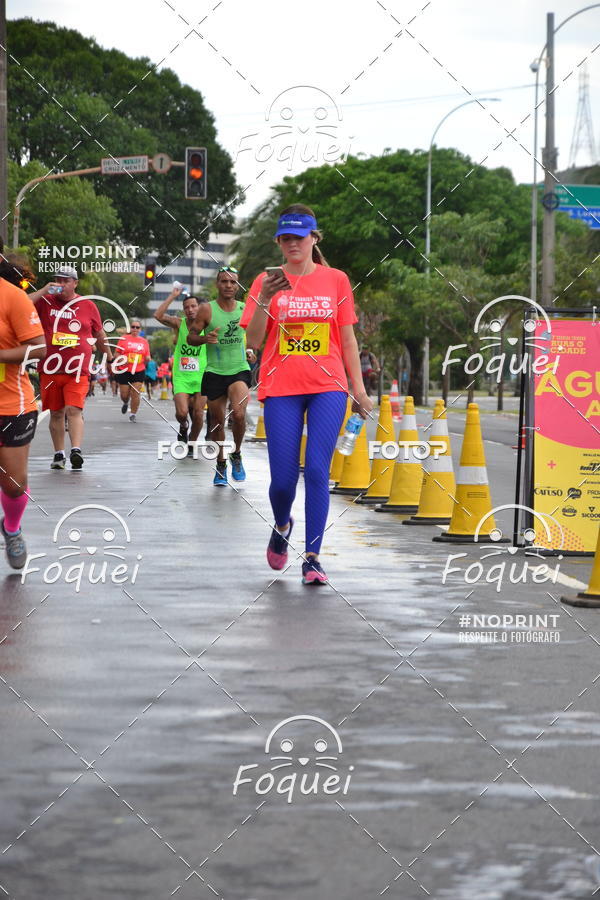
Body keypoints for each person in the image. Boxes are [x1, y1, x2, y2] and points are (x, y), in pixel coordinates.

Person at [241, 204, 372, 585]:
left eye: (299, 238)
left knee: (316, 469)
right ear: (278, 242)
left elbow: (347, 339)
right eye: (285, 238)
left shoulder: (336, 280)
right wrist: (265, 296)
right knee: (282, 480)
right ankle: (282, 525)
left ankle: (313, 557)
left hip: (328, 386)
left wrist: (358, 389)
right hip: (281, 387)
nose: (292, 244)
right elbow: (252, 340)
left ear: (314, 239)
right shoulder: (266, 282)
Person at [29, 265, 113, 470]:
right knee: (56, 413)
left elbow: (100, 335)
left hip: (77, 369)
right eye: (58, 280)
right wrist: (43, 290)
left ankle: (76, 450)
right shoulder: (46, 301)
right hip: (49, 368)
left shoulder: (87, 305)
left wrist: (110, 357)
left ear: (75, 283)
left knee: (73, 409)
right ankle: (59, 454)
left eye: (66, 280)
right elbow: (20, 303)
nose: (61, 284)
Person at [187, 266, 255, 485]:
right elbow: (191, 337)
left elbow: (254, 336)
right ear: (217, 284)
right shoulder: (207, 310)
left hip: (239, 369)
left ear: (238, 285)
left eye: (233, 282)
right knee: (217, 422)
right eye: (224, 281)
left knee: (238, 414)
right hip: (215, 371)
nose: (228, 285)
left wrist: (252, 350)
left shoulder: (245, 309)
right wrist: (205, 339)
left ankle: (236, 453)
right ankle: (220, 464)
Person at [0, 251, 47, 568]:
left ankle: (12, 528)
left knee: (14, 484)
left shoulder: (12, 297)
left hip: (10, 405)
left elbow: (39, 347)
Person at [154, 286, 208, 451]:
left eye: (193, 306)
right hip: (182, 376)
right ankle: (183, 425)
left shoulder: (209, 324)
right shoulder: (179, 323)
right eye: (186, 307)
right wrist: (173, 296)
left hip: (202, 375)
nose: (190, 310)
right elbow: (158, 316)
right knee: (182, 413)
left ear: (200, 308)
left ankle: (192, 442)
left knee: (199, 414)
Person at [113, 320, 151, 423]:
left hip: (139, 370)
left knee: (135, 392)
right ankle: (126, 402)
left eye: (137, 327)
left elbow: (148, 356)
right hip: (124, 370)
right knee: (124, 395)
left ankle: (133, 414)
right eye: (133, 327)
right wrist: (120, 359)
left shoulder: (144, 341)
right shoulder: (123, 339)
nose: (135, 329)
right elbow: (116, 353)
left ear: (140, 329)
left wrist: (147, 359)